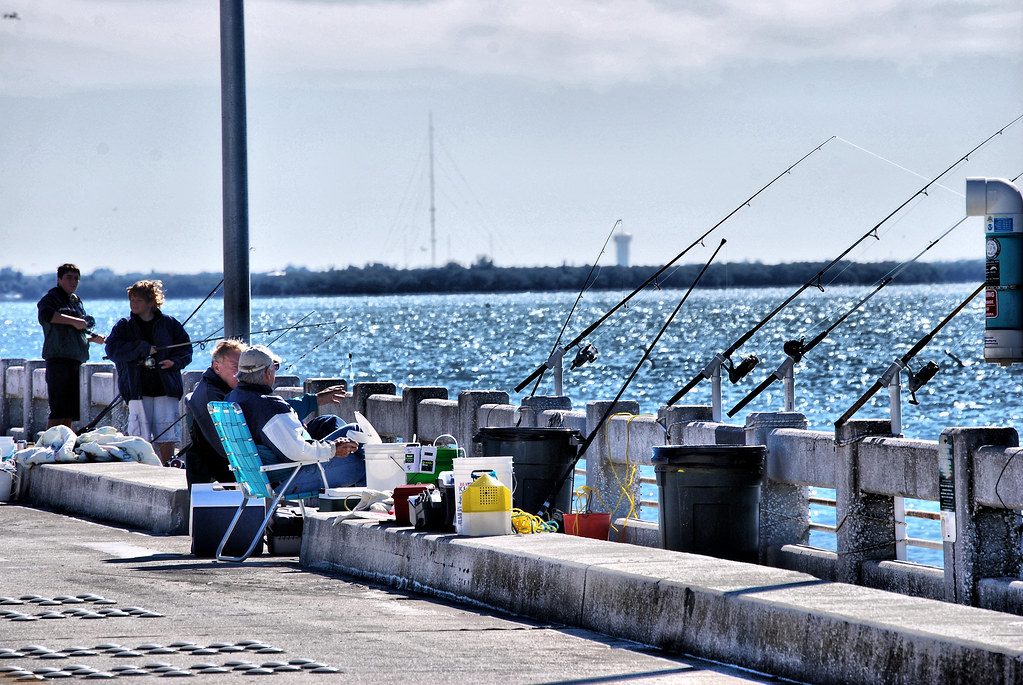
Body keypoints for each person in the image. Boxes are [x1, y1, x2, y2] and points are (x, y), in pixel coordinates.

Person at [225, 345, 365, 495]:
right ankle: (376, 503)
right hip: (287, 479)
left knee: (343, 426)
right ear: (267, 372)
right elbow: (299, 451)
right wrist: (333, 448)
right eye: (275, 367)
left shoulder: (232, 400)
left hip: (258, 479)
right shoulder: (269, 407)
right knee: (366, 461)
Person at [105, 280, 192, 465]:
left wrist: (174, 362)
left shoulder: (169, 323)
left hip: (165, 388)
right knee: (138, 433)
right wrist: (143, 348)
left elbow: (186, 350)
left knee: (166, 430)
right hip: (137, 390)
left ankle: (168, 464)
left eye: (138, 300)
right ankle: (142, 467)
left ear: (152, 302)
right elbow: (112, 350)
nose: (133, 304)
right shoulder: (124, 326)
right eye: (132, 300)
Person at [36, 264, 106, 429]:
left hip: (76, 360)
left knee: (70, 412)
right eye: (68, 277)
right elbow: (46, 315)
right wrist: (75, 321)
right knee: (58, 409)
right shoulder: (51, 298)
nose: (73, 281)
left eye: (76, 278)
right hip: (59, 360)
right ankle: (50, 446)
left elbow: (76, 331)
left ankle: (64, 445)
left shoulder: (76, 301)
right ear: (59, 279)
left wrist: (91, 339)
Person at [184, 338, 246, 487]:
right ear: (217, 367)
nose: (241, 373)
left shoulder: (215, 386)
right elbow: (224, 448)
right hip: (217, 464)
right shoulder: (212, 397)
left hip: (211, 462)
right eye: (235, 367)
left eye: (244, 367)